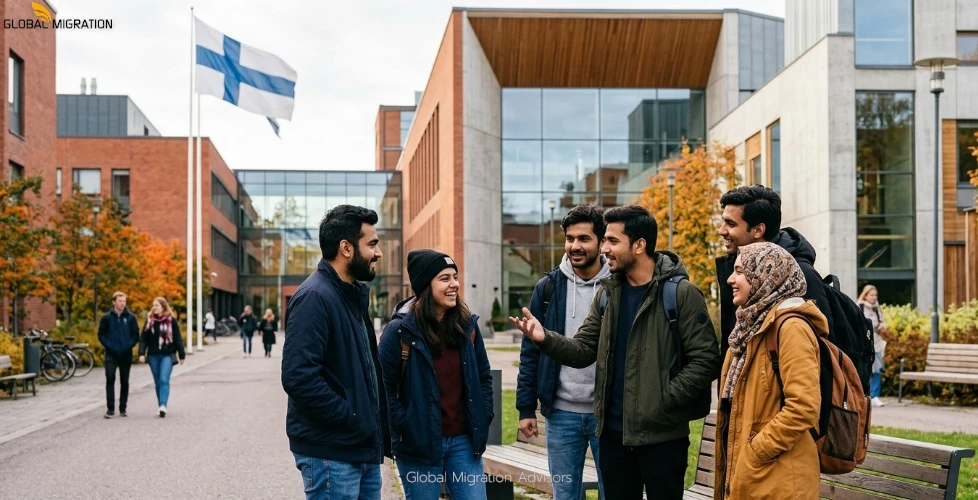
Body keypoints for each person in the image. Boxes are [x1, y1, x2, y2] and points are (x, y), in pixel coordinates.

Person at [510, 205, 720, 500]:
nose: (605, 248)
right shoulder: (608, 294)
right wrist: (545, 338)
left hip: (662, 438)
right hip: (612, 436)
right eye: (605, 240)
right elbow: (583, 349)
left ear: (639, 245)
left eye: (612, 241)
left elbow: (707, 359)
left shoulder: (681, 294)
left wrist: (665, 398)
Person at [282, 205, 389, 500]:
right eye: (372, 244)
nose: (377, 253)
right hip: (332, 453)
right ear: (346, 248)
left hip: (360, 447)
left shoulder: (349, 295)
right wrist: (351, 416)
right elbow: (299, 377)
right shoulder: (315, 298)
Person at [378, 250, 494, 500]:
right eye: (444, 278)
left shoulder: (467, 328)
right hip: (419, 444)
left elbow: (484, 377)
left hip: (464, 442)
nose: (454, 284)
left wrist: (484, 414)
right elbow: (382, 388)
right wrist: (406, 425)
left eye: (455, 276)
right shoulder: (399, 332)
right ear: (425, 285)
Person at [715, 242, 822, 499]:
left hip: (779, 481)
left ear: (766, 274)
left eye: (740, 271)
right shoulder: (748, 329)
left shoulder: (791, 328)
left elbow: (804, 407)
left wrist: (755, 451)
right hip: (754, 478)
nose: (731, 278)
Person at [516, 205, 610, 500]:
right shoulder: (548, 288)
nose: (575, 246)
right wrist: (526, 408)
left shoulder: (616, 286)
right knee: (565, 495)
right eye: (570, 239)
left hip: (607, 414)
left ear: (601, 241)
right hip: (561, 415)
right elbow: (530, 353)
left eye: (584, 239)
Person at [715, 185, 831, 364]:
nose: (721, 230)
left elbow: (820, 359)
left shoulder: (801, 277)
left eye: (730, 224)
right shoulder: (737, 270)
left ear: (758, 230)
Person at [138, 297, 186, 418]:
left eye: (157, 305)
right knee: (158, 381)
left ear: (163, 307)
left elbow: (177, 338)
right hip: (153, 355)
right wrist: (141, 353)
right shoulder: (149, 321)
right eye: (153, 305)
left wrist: (182, 354)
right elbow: (143, 338)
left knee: (164, 379)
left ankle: (163, 405)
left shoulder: (171, 321)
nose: (154, 307)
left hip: (167, 355)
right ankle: (161, 406)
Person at [96, 291, 140, 419]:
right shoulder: (107, 317)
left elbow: (135, 335)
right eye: (120, 301)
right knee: (110, 378)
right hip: (111, 354)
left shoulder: (131, 317)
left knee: (124, 381)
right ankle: (110, 409)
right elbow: (101, 334)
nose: (122, 303)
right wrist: (109, 345)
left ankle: (123, 408)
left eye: (124, 301)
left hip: (126, 354)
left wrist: (128, 345)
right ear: (114, 302)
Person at [857, 285, 887, 407]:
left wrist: (882, 326)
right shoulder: (860, 306)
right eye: (872, 295)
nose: (874, 297)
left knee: (877, 371)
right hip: (864, 345)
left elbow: (883, 322)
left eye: (876, 295)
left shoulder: (877, 308)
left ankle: (875, 396)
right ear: (865, 295)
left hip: (877, 343)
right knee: (864, 371)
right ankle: (863, 395)